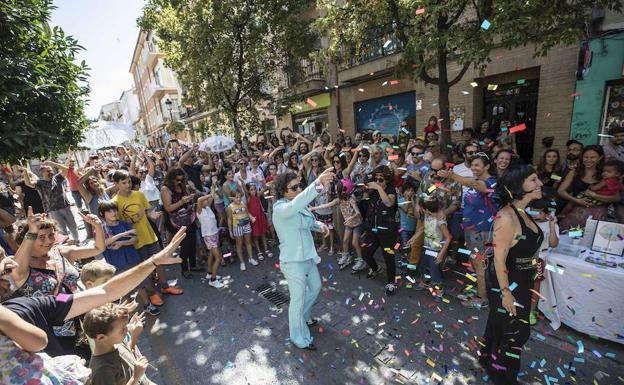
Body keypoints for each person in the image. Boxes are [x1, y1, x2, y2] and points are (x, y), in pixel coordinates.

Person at [0, 227, 187, 359]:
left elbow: (106, 290)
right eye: (2, 263)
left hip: (77, 323)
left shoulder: (29, 304)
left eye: (51, 235)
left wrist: (154, 261)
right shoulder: (21, 273)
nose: (7, 265)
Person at [479, 165, 544, 385]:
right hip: (505, 281)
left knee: (501, 324)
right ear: (518, 186)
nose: (540, 184)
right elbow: (499, 259)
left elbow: (523, 249)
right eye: (534, 180)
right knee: (517, 332)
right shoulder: (506, 217)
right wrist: (506, 293)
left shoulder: (525, 213)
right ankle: (504, 378)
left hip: (523, 279)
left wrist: (534, 264)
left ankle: (488, 359)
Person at [272, 167, 334, 350]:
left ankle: (304, 317)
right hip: (292, 263)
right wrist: (317, 185)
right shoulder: (280, 208)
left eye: (300, 186)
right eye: (294, 188)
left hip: (307, 257)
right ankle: (299, 338)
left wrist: (320, 225)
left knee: (315, 287)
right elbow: (295, 206)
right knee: (297, 300)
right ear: (283, 191)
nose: (298, 189)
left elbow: (308, 222)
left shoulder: (299, 204)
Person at [111, 170, 183, 303]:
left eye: (129, 182)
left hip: (150, 235)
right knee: (145, 268)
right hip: (135, 241)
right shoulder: (114, 202)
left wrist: (151, 215)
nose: (128, 185)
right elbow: (116, 223)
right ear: (115, 184)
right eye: (124, 183)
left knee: (159, 262)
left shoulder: (139, 194)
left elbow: (146, 211)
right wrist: (132, 221)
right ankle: (152, 293)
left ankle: (165, 287)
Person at [437, 153, 497, 309]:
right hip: (471, 231)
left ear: (487, 167)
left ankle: (482, 299)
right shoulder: (474, 181)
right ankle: (479, 291)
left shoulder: (491, 182)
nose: (474, 168)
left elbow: (478, 186)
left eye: (478, 165)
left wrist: (453, 176)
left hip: (482, 232)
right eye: (472, 165)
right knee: (474, 262)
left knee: (479, 264)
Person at [83, 303, 155, 385]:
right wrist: (135, 378)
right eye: (122, 329)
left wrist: (134, 336)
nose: (127, 330)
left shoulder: (116, 343)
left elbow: (129, 352)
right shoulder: (101, 371)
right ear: (101, 337)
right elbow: (135, 376)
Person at [359, 165, 399, 296]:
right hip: (373, 230)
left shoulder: (391, 190)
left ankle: (391, 282)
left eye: (381, 179)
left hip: (388, 232)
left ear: (387, 179)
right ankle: (376, 269)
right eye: (376, 179)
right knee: (365, 253)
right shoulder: (374, 191)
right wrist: (366, 190)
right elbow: (364, 202)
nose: (377, 181)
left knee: (388, 257)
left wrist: (378, 187)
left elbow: (388, 203)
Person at [558, 145, 619, 229]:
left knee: (588, 238)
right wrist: (577, 200)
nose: (588, 160)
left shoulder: (605, 174)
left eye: (593, 157)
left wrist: (595, 196)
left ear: (600, 158)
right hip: (574, 213)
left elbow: (616, 198)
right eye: (586, 157)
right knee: (570, 236)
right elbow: (561, 191)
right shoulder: (575, 171)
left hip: (596, 214)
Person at [161, 167, 202, 278]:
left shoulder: (181, 185)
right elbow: (168, 208)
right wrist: (181, 201)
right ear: (171, 179)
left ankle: (193, 265)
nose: (179, 182)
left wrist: (190, 198)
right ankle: (184, 269)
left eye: (181, 179)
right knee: (185, 246)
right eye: (177, 180)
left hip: (189, 218)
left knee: (193, 242)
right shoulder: (166, 189)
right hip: (177, 222)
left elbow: (186, 197)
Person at [411, 195, 451, 301]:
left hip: (436, 251)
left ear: (426, 209)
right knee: (424, 267)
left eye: (421, 208)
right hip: (427, 247)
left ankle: (439, 291)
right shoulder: (428, 216)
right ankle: (425, 282)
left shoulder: (440, 221)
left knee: (435, 272)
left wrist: (441, 254)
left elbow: (448, 238)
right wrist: (413, 238)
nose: (420, 209)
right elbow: (422, 228)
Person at [526, 199, 559, 325]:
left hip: (539, 259)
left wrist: (551, 226)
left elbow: (553, 244)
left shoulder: (551, 225)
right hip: (522, 257)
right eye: (532, 211)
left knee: (535, 285)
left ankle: (532, 310)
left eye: (538, 212)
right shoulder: (527, 221)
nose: (534, 215)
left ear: (547, 213)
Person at [35, 161, 80, 242]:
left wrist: (52, 163)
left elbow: (66, 169)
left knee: (73, 226)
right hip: (53, 210)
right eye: (48, 171)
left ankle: (77, 242)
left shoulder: (57, 178)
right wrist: (24, 171)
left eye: (51, 170)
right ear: (43, 173)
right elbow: (28, 183)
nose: (51, 172)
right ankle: (68, 245)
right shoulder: (40, 183)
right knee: (61, 230)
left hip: (65, 206)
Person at [197, 191, 225, 288]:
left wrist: (213, 188)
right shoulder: (199, 210)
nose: (206, 201)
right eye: (205, 200)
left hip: (214, 233)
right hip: (209, 236)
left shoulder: (207, 207)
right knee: (218, 258)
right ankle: (213, 280)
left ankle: (209, 273)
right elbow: (199, 199)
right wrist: (209, 195)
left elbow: (211, 198)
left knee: (211, 255)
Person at [227, 190, 257, 270]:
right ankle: (242, 262)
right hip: (237, 227)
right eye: (236, 197)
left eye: (240, 197)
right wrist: (230, 231)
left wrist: (252, 218)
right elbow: (229, 219)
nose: (239, 199)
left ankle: (251, 258)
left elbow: (248, 213)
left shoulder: (243, 203)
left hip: (247, 224)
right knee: (239, 245)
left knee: (248, 242)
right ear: (232, 198)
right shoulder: (230, 207)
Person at [246, 183, 272, 260]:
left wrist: (261, 181)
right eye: (251, 190)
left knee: (263, 234)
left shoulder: (258, 195)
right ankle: (259, 251)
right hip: (254, 219)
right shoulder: (248, 198)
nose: (253, 191)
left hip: (261, 217)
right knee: (256, 236)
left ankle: (266, 250)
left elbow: (265, 188)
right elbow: (247, 210)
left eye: (254, 189)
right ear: (248, 191)